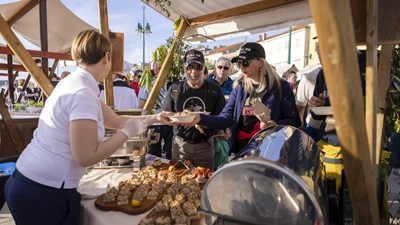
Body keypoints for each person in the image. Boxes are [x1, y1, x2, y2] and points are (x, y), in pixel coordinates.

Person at [4, 29, 164, 225]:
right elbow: (86, 157)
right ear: (106, 57)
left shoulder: (75, 83)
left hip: (29, 183)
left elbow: (116, 120)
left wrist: (157, 118)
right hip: (43, 191)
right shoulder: (82, 93)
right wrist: (126, 133)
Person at [179, 43, 301, 155]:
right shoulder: (239, 88)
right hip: (242, 149)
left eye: (246, 62)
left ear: (261, 62)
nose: (242, 67)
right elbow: (226, 118)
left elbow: (294, 122)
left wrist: (276, 124)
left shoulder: (280, 87)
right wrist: (199, 118)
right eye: (239, 63)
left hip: (270, 150)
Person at [162, 49, 226, 170]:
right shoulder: (175, 88)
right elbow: (165, 114)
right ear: (184, 68)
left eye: (198, 67)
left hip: (205, 146)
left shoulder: (215, 90)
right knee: (178, 181)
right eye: (190, 67)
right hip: (181, 144)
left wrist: (206, 122)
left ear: (204, 68)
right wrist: (179, 114)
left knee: (204, 181)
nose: (194, 72)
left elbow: (222, 118)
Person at [138, 61, 173, 159]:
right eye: (159, 68)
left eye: (164, 68)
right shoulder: (148, 84)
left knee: (171, 155)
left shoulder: (172, 83)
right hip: (154, 124)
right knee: (154, 156)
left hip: (170, 124)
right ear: (154, 70)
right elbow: (141, 105)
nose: (162, 71)